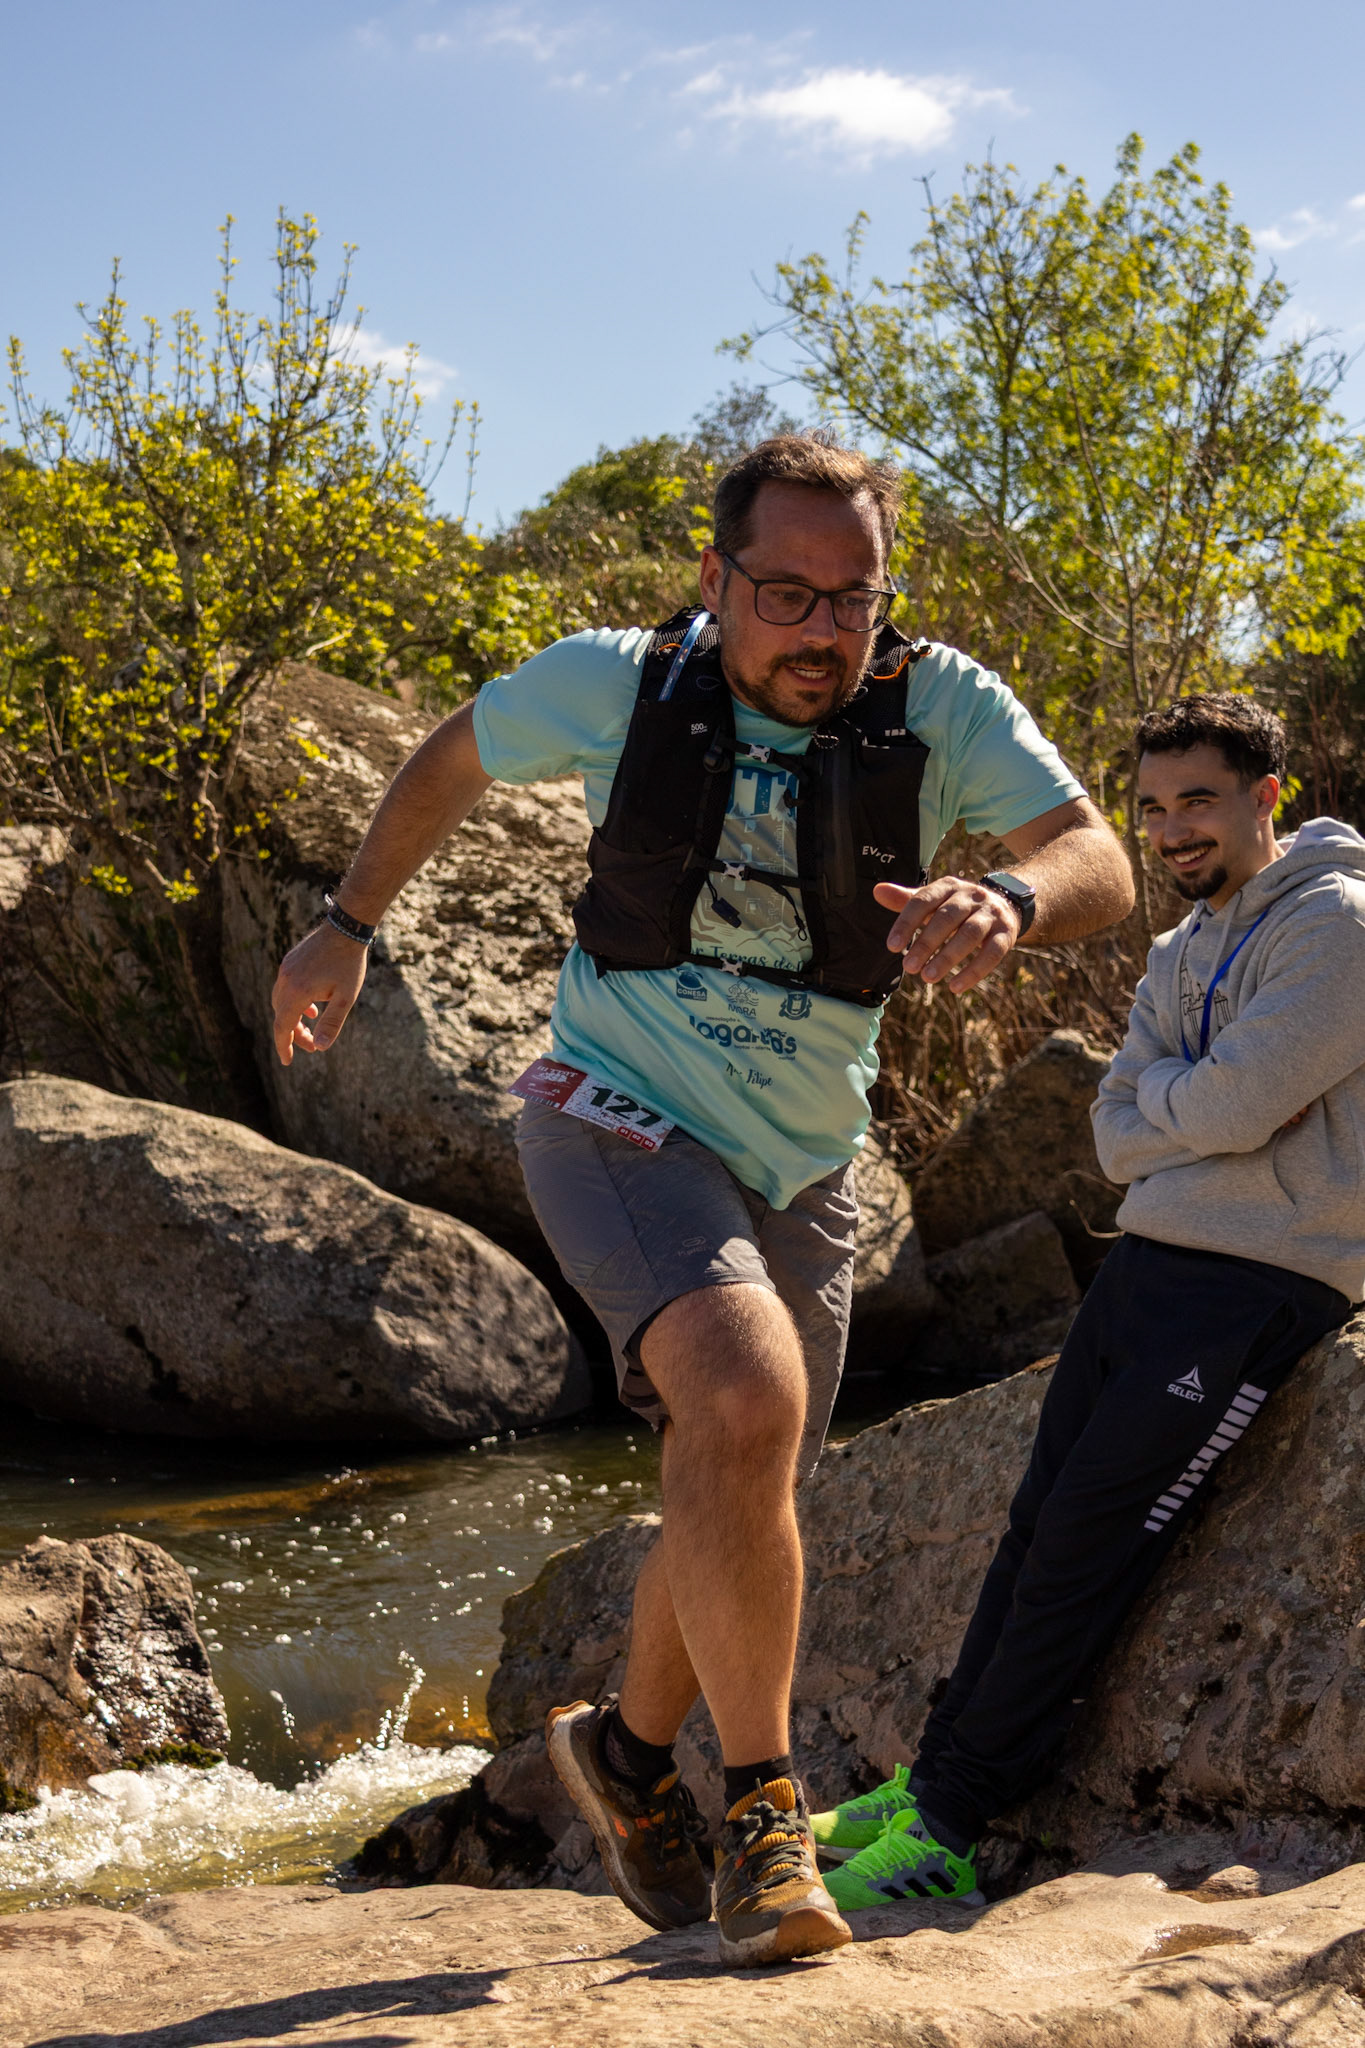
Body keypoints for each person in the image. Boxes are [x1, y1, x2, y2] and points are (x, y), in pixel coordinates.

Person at [269, 433, 1133, 1964]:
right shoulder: (616, 682)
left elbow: (1098, 859)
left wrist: (1009, 896)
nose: (820, 631)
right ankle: (765, 1823)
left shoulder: (941, 704)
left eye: (852, 599)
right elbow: (453, 754)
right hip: (616, 1112)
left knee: (740, 1467)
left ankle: (622, 1755)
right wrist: (345, 922)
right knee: (743, 1402)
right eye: (785, 594)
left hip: (803, 1157)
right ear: (717, 579)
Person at [814, 693, 1364, 1912]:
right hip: (1147, 1263)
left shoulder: (1337, 923)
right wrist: (1191, 1104)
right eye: (1151, 808)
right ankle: (928, 1777)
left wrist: (1188, 1102)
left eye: (1197, 801)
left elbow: (1232, 1104)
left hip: (1260, 1285)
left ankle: (952, 1825)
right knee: (1035, 1526)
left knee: (1088, 1544)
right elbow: (1113, 1134)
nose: (1169, 831)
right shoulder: (1180, 947)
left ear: (1268, 797)